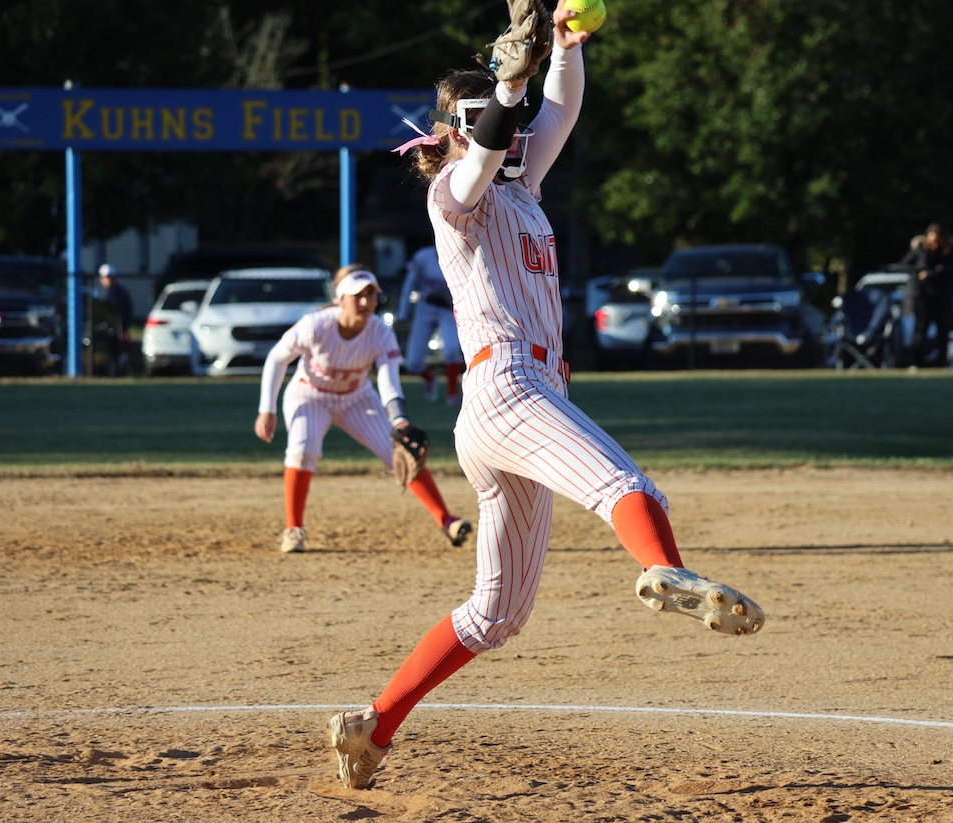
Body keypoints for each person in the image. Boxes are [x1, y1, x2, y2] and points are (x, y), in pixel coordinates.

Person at [328, 0, 765, 791]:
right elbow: (485, 148)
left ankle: (374, 725)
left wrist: (564, 47)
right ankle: (666, 571)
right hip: (508, 385)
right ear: (454, 127)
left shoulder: (523, 188)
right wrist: (507, 82)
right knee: (627, 486)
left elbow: (557, 108)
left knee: (495, 615)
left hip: (505, 404)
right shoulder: (453, 196)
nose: (516, 120)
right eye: (494, 110)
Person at [253, 263, 473, 554]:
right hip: (309, 394)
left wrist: (400, 421)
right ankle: (293, 529)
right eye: (358, 296)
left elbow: (389, 383)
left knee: (402, 451)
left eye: (371, 296)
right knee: (303, 450)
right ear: (341, 299)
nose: (366, 302)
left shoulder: (380, 333)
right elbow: (277, 359)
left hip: (356, 397)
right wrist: (266, 408)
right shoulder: (315, 325)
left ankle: (447, 520)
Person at [398, 245, 465, 404]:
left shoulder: (460, 255)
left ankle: (452, 395)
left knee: (452, 350)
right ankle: (429, 378)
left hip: (448, 310)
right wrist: (403, 313)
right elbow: (409, 285)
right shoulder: (423, 256)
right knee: (412, 363)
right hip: (425, 308)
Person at [899, 224, 953, 368]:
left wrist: (945, 270)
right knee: (921, 329)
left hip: (942, 296)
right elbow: (903, 265)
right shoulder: (920, 251)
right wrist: (920, 271)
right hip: (923, 296)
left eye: (937, 242)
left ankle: (942, 361)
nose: (934, 245)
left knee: (943, 330)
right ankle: (915, 362)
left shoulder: (949, 253)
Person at [98, 263, 134, 374]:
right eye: (105, 277)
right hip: (103, 330)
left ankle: (120, 370)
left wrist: (125, 329)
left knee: (120, 353)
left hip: (118, 329)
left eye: (110, 277)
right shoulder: (100, 293)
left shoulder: (121, 293)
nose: (108, 280)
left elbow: (127, 312)